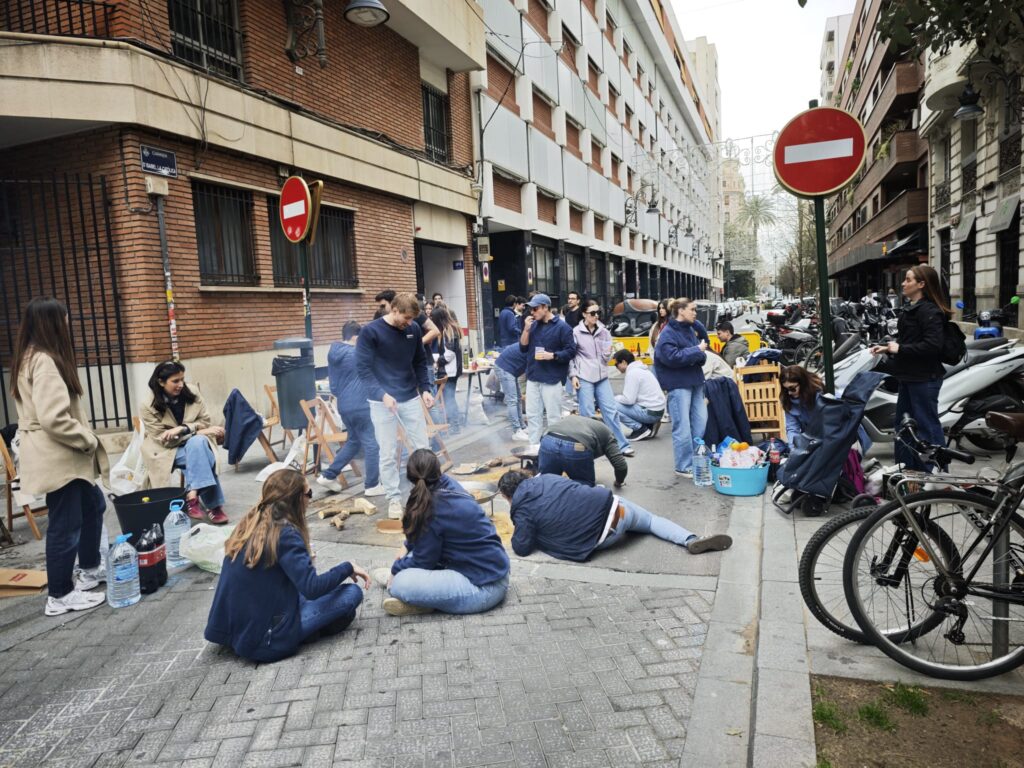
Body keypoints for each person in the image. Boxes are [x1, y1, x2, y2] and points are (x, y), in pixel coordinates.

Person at [205, 468, 369, 662]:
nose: (310, 498)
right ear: (297, 498)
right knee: (351, 593)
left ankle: (313, 628)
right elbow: (312, 588)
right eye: (309, 493)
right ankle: (307, 631)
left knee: (312, 595)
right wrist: (348, 567)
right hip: (264, 640)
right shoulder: (286, 533)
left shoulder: (251, 520)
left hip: (233, 628)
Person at [10, 297, 110, 616]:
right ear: (54, 322)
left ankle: (89, 570)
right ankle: (60, 594)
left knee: (93, 505)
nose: (68, 324)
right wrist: (87, 440)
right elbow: (54, 417)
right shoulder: (44, 360)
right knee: (65, 524)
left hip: (55, 453)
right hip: (59, 455)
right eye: (65, 319)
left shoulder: (28, 357)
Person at [375, 450, 509, 616]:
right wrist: (406, 545)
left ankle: (422, 602)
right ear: (438, 470)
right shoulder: (447, 484)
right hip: (488, 570)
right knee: (408, 557)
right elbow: (423, 540)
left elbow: (424, 561)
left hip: (484, 588)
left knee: (400, 583)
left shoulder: (433, 507)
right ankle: (426, 598)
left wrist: (395, 570)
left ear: (410, 479)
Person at [499, 470, 732, 561]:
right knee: (651, 521)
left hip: (600, 538)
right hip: (615, 508)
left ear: (506, 496)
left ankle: (691, 541)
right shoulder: (546, 478)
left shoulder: (522, 508)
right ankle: (690, 540)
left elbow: (521, 547)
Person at [357, 292, 436, 519]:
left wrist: (426, 389)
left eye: (413, 319)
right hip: (381, 402)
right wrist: (382, 395)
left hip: (409, 397)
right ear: (394, 310)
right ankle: (393, 498)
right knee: (388, 452)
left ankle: (426, 493)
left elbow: (420, 362)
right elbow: (363, 370)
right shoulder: (370, 332)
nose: (410, 323)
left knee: (422, 447)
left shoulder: (413, 330)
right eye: (407, 318)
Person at [871, 265, 948, 470]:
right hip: (908, 377)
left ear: (921, 284)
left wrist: (899, 348)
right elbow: (910, 342)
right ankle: (906, 473)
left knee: (927, 428)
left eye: (908, 280)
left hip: (924, 379)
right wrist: (887, 348)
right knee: (904, 427)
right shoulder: (911, 309)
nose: (903, 283)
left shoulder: (930, 311)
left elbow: (933, 345)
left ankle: (939, 477)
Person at [141, 361, 228, 525]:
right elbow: (163, 440)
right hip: (166, 451)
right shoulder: (147, 405)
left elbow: (205, 421)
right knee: (201, 451)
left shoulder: (192, 392)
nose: (181, 384)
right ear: (161, 382)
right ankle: (214, 506)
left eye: (182, 379)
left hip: (196, 443)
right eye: (175, 381)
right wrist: (193, 430)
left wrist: (184, 429)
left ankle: (192, 494)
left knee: (198, 444)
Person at [317, 321, 384, 497]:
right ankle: (372, 485)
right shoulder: (357, 353)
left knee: (354, 442)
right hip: (361, 405)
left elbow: (334, 388)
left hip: (344, 405)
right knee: (372, 444)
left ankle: (328, 475)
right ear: (356, 337)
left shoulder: (333, 353)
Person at [654, 298, 708, 479]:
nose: (695, 313)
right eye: (692, 309)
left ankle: (695, 459)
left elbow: (701, 356)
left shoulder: (689, 329)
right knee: (682, 426)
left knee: (700, 422)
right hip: (678, 385)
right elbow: (671, 357)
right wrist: (696, 351)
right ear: (681, 311)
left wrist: (698, 353)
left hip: (695, 381)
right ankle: (683, 465)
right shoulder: (668, 333)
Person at [569, 304, 633, 455]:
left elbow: (606, 357)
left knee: (611, 411)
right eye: (592, 313)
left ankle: (622, 445)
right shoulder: (576, 332)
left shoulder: (604, 331)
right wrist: (573, 376)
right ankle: (588, 448)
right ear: (584, 314)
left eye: (598, 312)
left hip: (602, 376)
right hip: (584, 376)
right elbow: (571, 356)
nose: (596, 315)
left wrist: (608, 352)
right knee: (587, 414)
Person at [519, 293, 576, 446]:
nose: (532, 312)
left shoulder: (563, 327)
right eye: (531, 309)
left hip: (552, 378)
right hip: (533, 377)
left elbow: (571, 351)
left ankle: (554, 450)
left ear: (545, 307)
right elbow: (523, 347)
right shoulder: (533, 325)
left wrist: (553, 355)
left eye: (535, 308)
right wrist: (525, 329)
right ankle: (534, 450)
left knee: (553, 418)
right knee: (532, 415)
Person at [538, 414, 628, 487]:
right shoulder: (607, 432)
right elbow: (620, 464)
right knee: (582, 485)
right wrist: (619, 481)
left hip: (548, 439)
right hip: (576, 445)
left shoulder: (576, 419)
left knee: (547, 482)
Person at [612, 349, 665, 440]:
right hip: (657, 411)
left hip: (650, 413)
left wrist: (614, 398)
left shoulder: (633, 373)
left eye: (616, 364)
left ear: (624, 362)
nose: (616, 367)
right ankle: (649, 425)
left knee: (611, 405)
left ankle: (640, 429)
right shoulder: (642, 370)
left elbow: (629, 400)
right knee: (620, 403)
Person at [431, 305, 463, 433]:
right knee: (449, 398)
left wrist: (437, 362)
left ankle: (454, 426)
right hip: (451, 370)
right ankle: (453, 425)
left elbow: (449, 354)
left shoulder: (448, 331)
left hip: (449, 371)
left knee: (449, 398)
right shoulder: (450, 329)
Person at [494, 343, 528, 441]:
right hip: (504, 368)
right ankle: (516, 431)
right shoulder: (535, 347)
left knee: (518, 398)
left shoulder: (536, 344)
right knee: (512, 400)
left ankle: (522, 427)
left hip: (511, 369)